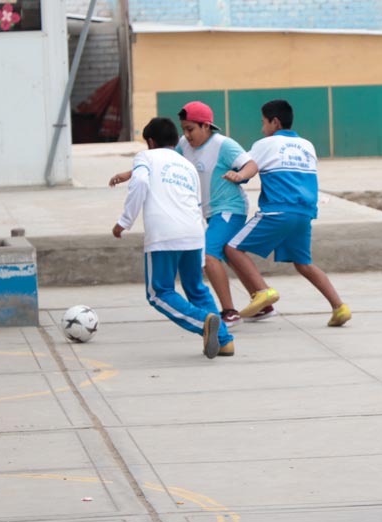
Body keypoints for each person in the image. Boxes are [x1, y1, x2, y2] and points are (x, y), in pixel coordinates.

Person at [110, 102, 277, 327]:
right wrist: (128, 174)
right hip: (209, 212)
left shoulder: (223, 144)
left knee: (209, 255)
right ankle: (263, 304)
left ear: (206, 126)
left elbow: (251, 164)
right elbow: (160, 159)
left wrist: (240, 176)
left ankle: (229, 312)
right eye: (183, 129)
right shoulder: (183, 146)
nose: (186, 135)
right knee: (227, 253)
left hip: (229, 209)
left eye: (190, 129)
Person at [224, 99, 351, 327]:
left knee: (232, 248)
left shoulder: (266, 143)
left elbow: (248, 166)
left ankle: (262, 292)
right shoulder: (307, 145)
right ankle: (339, 307)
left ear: (274, 122)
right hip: (304, 213)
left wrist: (239, 175)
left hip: (278, 210)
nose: (262, 128)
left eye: (263, 123)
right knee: (304, 263)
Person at [111, 117, 231, 357]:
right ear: (176, 141)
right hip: (194, 232)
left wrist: (124, 221)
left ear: (150, 142)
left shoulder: (145, 157)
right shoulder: (186, 164)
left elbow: (141, 181)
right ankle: (225, 340)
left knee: (159, 292)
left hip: (164, 235)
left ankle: (202, 322)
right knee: (196, 288)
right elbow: (197, 204)